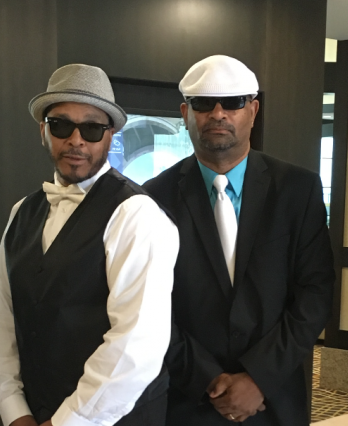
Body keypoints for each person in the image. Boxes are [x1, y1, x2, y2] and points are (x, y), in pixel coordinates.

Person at [143, 55, 335, 425]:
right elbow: (149, 306)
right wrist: (208, 379)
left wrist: (259, 377)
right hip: (187, 403)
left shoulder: (298, 189)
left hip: (274, 401)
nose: (218, 114)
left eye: (232, 102)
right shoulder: (153, 197)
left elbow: (315, 292)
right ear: (185, 113)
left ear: (253, 110)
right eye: (203, 104)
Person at [0, 64, 178, 426]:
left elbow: (135, 344)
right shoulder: (21, 212)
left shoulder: (136, 214)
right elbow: (2, 324)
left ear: (110, 135)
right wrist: (14, 411)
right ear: (43, 130)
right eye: (61, 125)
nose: (76, 140)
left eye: (91, 128)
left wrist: (68, 421)